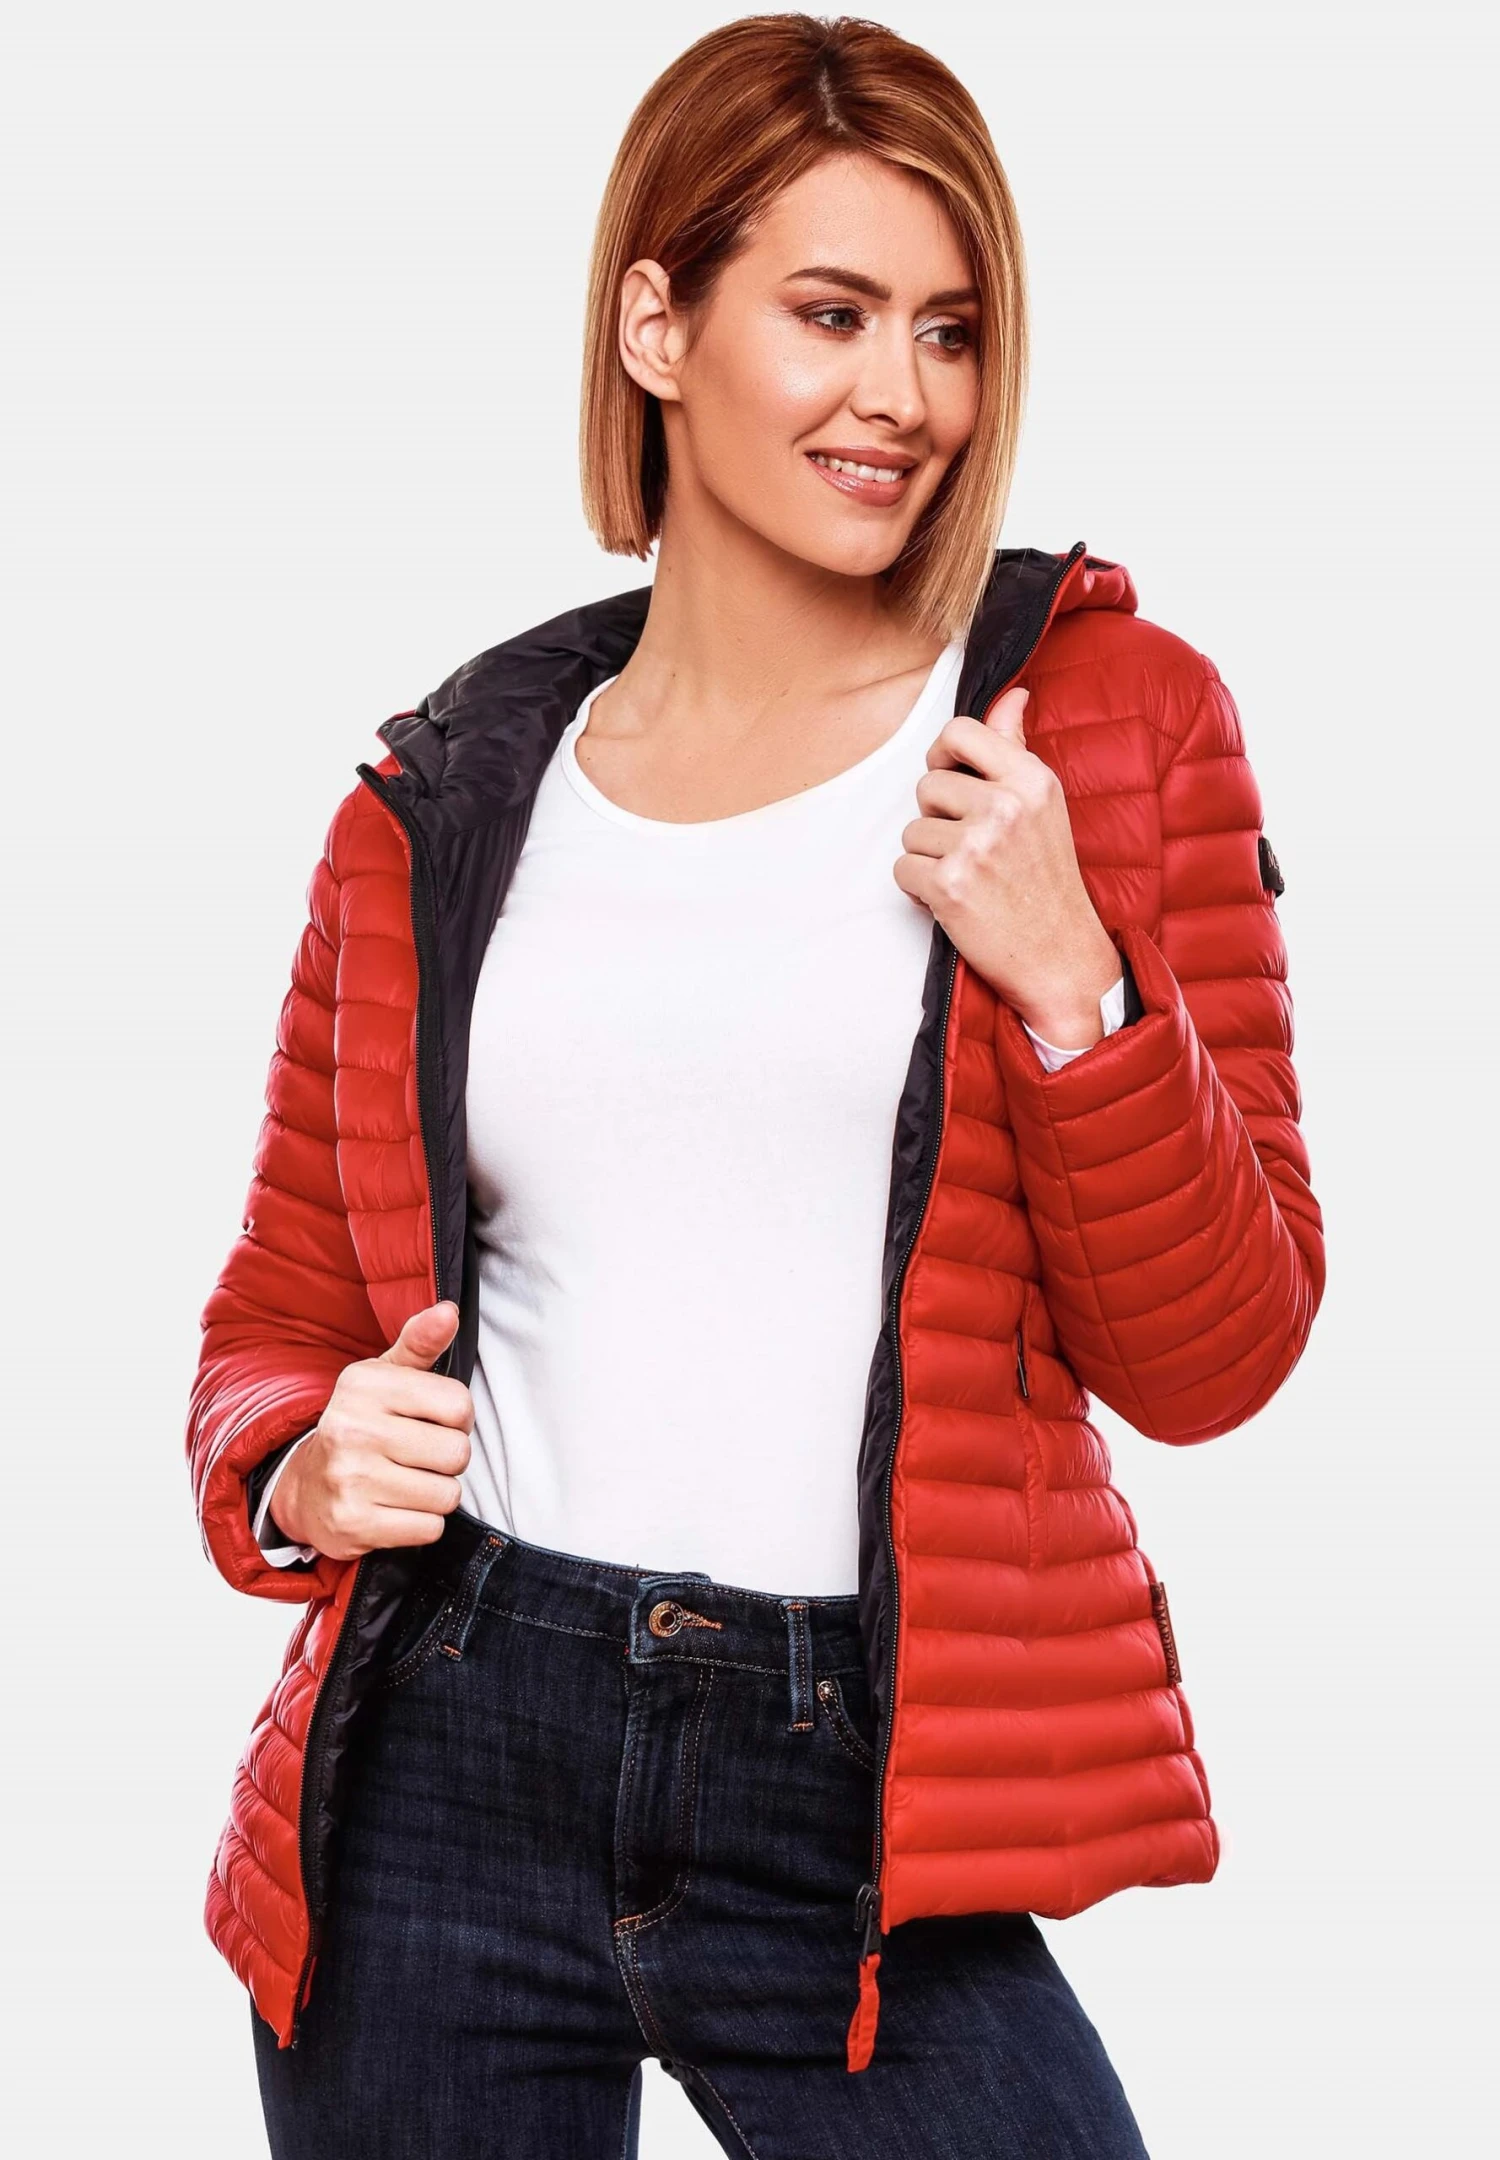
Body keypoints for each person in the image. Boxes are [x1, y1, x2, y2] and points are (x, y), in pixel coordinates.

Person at [184, 15, 1324, 2156]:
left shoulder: (1103, 726)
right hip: (446, 1744)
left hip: (859, 1770)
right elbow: (279, 1315)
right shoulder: (440, 799)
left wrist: (1075, 981)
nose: (904, 395)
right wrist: (298, 1468)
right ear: (658, 325)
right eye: (831, 313)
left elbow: (1218, 1358)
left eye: (950, 331)